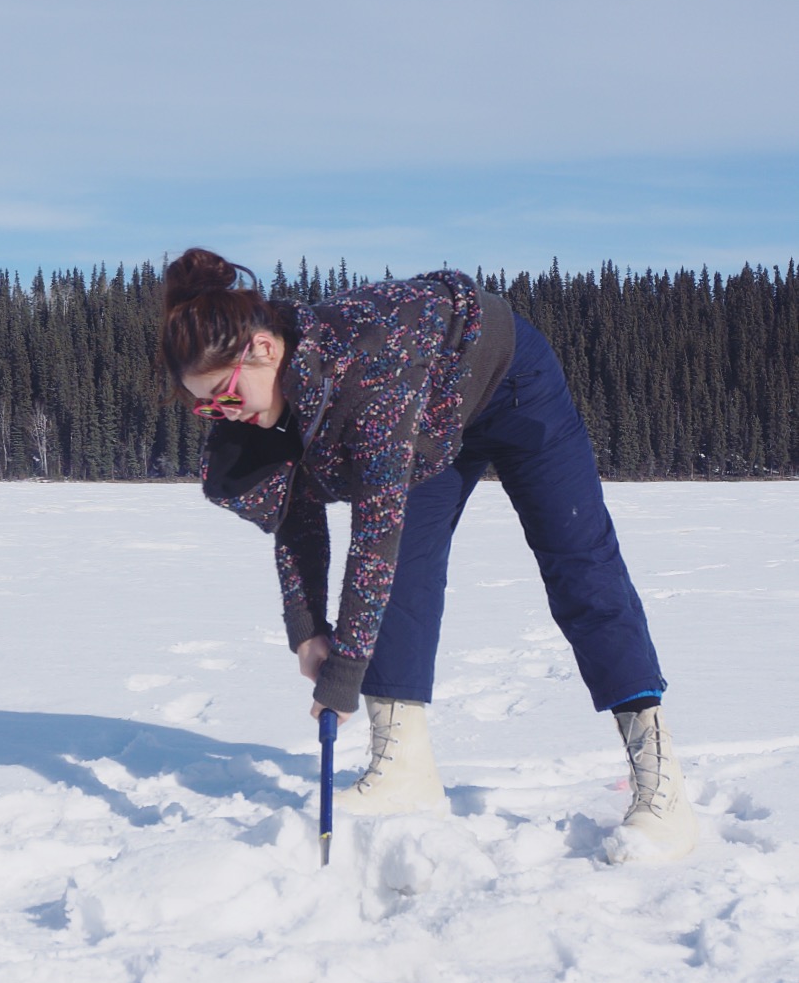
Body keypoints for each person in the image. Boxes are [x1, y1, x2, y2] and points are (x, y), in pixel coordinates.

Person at [159, 247, 699, 863]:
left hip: (510, 381)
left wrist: (342, 678)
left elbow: (374, 540)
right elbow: (295, 509)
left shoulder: (365, 377)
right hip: (435, 415)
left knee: (579, 561)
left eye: (225, 396)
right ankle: (403, 769)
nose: (224, 415)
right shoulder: (278, 391)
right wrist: (307, 628)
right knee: (408, 579)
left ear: (261, 347)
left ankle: (662, 786)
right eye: (205, 406)